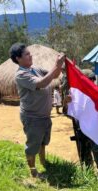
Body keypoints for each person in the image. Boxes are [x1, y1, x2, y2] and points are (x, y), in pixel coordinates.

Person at [9, 43, 65, 178]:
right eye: (27, 54)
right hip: (32, 117)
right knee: (33, 145)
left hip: (44, 115)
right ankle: (33, 172)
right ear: (18, 58)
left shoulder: (34, 69)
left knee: (43, 142)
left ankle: (43, 162)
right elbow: (42, 83)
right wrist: (56, 66)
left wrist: (59, 65)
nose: (31, 55)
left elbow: (55, 75)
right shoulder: (21, 75)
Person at [64, 72, 98, 175]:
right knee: (86, 164)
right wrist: (66, 103)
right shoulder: (75, 95)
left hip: (96, 134)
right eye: (86, 80)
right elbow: (68, 114)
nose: (89, 82)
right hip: (82, 134)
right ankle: (89, 185)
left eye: (91, 79)